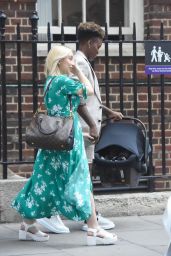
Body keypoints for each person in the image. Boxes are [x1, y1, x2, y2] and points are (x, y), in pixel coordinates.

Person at [11, 45, 117, 246]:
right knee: (82, 177)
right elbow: (89, 90)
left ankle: (28, 224)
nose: (72, 62)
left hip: (54, 138)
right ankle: (94, 228)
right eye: (69, 59)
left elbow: (74, 103)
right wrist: (78, 71)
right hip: (68, 139)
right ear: (59, 61)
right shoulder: (62, 81)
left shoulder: (50, 82)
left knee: (43, 178)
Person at [37, 22, 123, 234]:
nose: (99, 50)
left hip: (81, 128)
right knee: (81, 173)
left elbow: (87, 97)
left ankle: (87, 217)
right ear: (91, 42)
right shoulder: (78, 63)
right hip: (80, 129)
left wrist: (107, 111)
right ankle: (86, 218)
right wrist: (93, 124)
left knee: (76, 172)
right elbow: (80, 98)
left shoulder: (81, 61)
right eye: (98, 45)